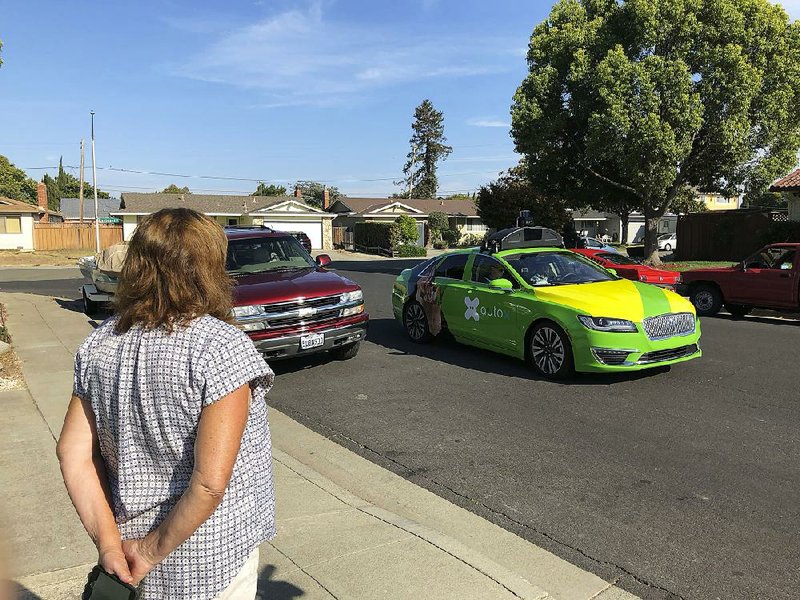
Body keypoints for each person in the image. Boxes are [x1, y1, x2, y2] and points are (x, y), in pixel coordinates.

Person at [57, 208, 275, 600]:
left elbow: (72, 453)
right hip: (211, 558)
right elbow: (209, 484)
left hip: (128, 554)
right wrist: (149, 550)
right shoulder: (220, 347)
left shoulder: (99, 342)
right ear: (210, 267)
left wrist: (110, 544)